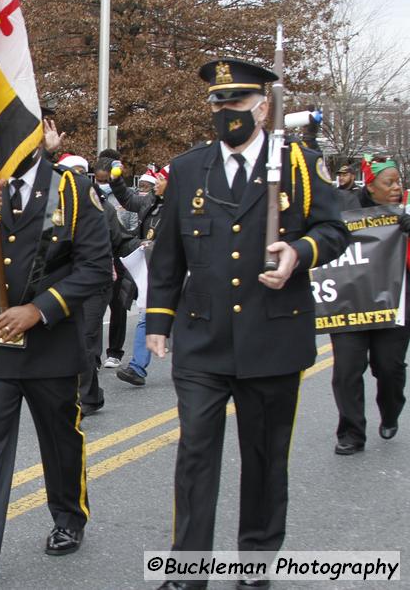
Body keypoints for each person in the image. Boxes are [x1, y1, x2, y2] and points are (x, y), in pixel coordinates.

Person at [147, 58, 348, 590]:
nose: (223, 112)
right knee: (195, 454)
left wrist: (300, 251)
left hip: (273, 335)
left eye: (234, 102)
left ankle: (255, 562)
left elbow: (336, 228)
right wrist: (157, 322)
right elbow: (168, 253)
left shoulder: (297, 164)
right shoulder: (189, 167)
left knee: (263, 458)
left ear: (262, 107)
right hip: (203, 336)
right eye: (215, 102)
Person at [0, 149, 112, 588]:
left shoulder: (73, 189)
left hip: (50, 345)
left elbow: (94, 269)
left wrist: (40, 309)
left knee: (60, 440)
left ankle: (69, 517)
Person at [329, 158, 409, 455]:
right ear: (371, 185)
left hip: (393, 302)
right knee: (347, 370)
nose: (396, 188)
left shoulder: (406, 210)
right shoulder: (345, 205)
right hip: (351, 303)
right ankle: (351, 432)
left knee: (389, 367)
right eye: (389, 183)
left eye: (398, 181)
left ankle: (390, 411)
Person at [109, 164, 170, 387]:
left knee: (186, 320)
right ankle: (137, 367)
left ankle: (199, 364)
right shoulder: (151, 201)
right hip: (152, 268)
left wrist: (157, 245)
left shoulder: (184, 207)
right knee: (147, 313)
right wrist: (116, 180)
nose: (157, 184)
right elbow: (128, 200)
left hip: (176, 272)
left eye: (161, 180)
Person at [92, 150, 135, 369]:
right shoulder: (89, 193)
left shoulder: (125, 193)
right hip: (100, 254)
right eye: (98, 180)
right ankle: (94, 356)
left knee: (118, 304)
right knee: (95, 308)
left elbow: (134, 218)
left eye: (105, 179)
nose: (102, 184)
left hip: (120, 252)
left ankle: (115, 351)